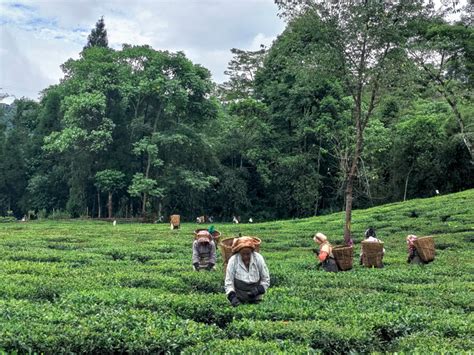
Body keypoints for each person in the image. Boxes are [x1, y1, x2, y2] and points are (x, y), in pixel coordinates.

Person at [225, 237, 270, 307]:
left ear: (252, 252)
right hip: (239, 299)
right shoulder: (233, 260)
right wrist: (232, 297)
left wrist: (258, 290)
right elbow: (229, 282)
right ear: (239, 252)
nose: (246, 256)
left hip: (256, 298)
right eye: (243, 254)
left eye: (248, 254)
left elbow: (266, 279)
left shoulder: (258, 258)